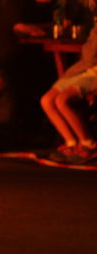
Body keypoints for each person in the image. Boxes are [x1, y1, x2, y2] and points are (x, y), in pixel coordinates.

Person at [40, 23, 97, 163]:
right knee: (46, 100)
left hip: (94, 76)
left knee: (62, 101)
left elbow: (91, 55)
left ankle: (88, 143)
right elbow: (88, 55)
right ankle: (71, 142)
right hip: (83, 71)